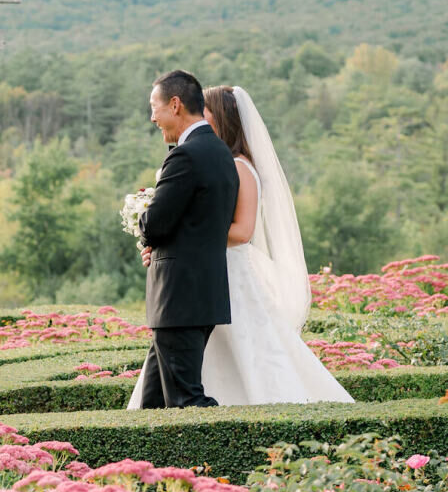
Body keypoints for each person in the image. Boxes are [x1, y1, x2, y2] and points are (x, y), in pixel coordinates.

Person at [129, 83, 353, 408]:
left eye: (206, 111)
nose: (200, 117)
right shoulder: (218, 161)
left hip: (222, 269)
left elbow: (243, 231)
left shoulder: (237, 165)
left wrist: (175, 234)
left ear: (219, 117)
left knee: (241, 361)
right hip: (206, 267)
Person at [132, 70, 239, 408]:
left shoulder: (186, 155)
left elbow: (154, 224)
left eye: (154, 107)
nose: (153, 117)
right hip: (200, 295)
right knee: (152, 404)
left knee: (186, 402)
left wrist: (143, 220)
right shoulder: (220, 152)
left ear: (175, 105)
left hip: (179, 298)